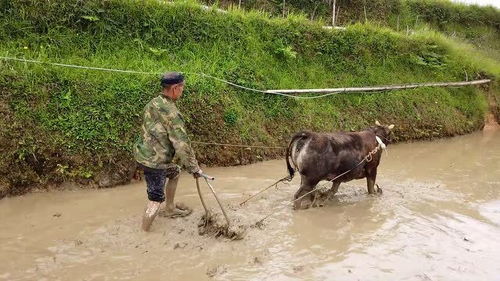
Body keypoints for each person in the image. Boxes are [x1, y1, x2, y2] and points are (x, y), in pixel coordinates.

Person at [134, 72, 203, 231]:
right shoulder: (172, 113)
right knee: (155, 199)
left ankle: (170, 208)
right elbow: (182, 144)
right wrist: (194, 168)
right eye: (182, 87)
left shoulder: (153, 102)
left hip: (141, 153)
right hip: (154, 162)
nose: (183, 90)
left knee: (174, 171)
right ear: (175, 88)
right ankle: (144, 233)